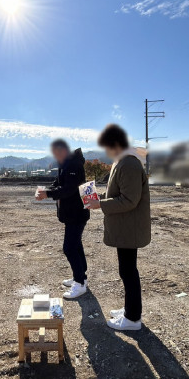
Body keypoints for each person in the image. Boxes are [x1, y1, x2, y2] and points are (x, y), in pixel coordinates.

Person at [86, 124, 151, 331]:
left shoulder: (129, 164)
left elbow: (129, 200)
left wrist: (101, 204)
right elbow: (119, 194)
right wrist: (99, 199)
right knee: (127, 270)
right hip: (126, 227)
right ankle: (130, 310)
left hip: (128, 228)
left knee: (128, 271)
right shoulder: (123, 162)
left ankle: (132, 319)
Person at [36, 139, 90, 299]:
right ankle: (81, 277)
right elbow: (59, 183)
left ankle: (80, 284)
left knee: (69, 248)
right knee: (76, 245)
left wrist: (48, 194)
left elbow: (69, 189)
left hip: (77, 213)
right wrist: (46, 190)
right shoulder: (66, 163)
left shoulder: (74, 165)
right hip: (72, 214)